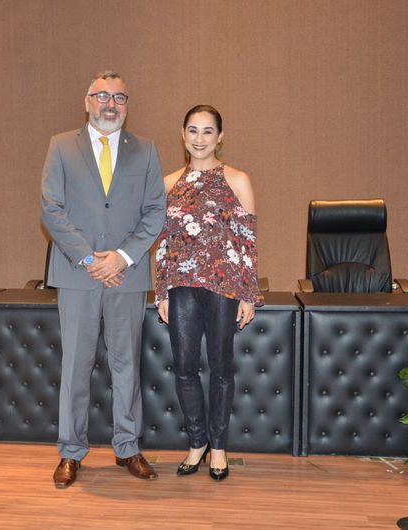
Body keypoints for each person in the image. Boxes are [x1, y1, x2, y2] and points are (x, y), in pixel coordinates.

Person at [41, 70, 166, 488]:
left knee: (126, 365)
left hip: (126, 276)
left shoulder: (145, 151)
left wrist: (122, 257)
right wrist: (88, 259)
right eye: (102, 96)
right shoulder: (61, 146)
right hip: (78, 276)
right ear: (87, 101)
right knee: (76, 366)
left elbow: (154, 213)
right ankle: (70, 452)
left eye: (119, 97)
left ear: (127, 105)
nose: (110, 104)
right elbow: (51, 210)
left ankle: (127, 448)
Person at [155, 104, 263, 481]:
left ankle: (219, 448)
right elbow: (164, 244)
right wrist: (162, 293)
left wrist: (248, 295)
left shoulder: (238, 179)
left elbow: (247, 243)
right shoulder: (168, 183)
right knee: (184, 368)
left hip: (224, 287)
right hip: (181, 287)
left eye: (207, 131)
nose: (199, 138)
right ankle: (196, 443)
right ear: (182, 134)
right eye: (193, 130)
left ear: (220, 136)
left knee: (220, 368)